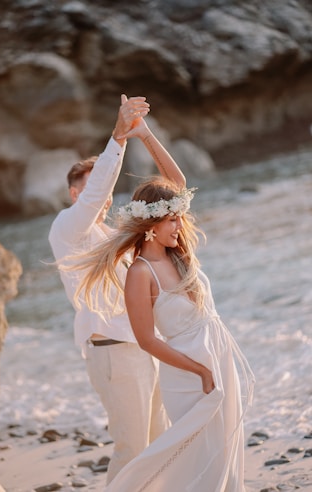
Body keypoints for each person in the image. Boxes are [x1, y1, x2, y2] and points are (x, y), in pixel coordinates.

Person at [67, 119, 255, 491]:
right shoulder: (140, 273)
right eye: (171, 219)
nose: (178, 225)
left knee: (225, 446)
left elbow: (178, 185)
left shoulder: (178, 254)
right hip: (187, 370)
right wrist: (199, 371)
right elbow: (147, 340)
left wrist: (145, 133)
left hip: (217, 354)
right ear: (151, 225)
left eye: (178, 217)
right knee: (193, 454)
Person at [49, 94, 187, 482]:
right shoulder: (67, 228)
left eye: (107, 186)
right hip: (114, 352)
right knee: (132, 450)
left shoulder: (116, 236)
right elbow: (96, 196)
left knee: (161, 444)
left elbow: (176, 188)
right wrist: (119, 138)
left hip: (148, 347)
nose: (104, 193)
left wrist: (144, 134)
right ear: (76, 194)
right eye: (94, 188)